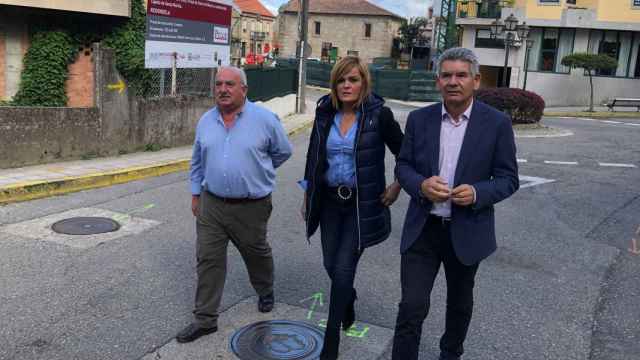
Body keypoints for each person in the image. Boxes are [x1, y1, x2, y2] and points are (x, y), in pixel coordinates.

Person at [392, 47, 519, 360]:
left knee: (459, 303)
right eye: (446, 75)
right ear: (438, 82)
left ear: (476, 81)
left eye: (461, 75)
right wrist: (421, 185)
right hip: (423, 228)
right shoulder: (420, 119)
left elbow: (508, 178)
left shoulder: (497, 124)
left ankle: (450, 354)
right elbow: (403, 166)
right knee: (412, 305)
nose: (453, 81)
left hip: (467, 229)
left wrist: (477, 193)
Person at [178, 66, 293, 343]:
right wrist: (196, 193)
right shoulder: (206, 120)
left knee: (256, 253)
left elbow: (283, 151)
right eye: (218, 84)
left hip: (251, 206)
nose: (222, 89)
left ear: (244, 89)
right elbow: (197, 161)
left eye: (230, 84)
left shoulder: (265, 119)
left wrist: (258, 170)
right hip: (212, 204)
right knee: (208, 259)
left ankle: (265, 290)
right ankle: (205, 319)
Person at [301, 56, 404, 360]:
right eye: (341, 80)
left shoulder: (378, 116)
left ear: (364, 83)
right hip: (330, 202)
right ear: (334, 84)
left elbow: (407, 152)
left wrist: (397, 186)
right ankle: (349, 299)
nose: (346, 85)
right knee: (331, 266)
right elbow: (312, 156)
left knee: (343, 270)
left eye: (353, 79)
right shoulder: (324, 114)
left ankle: (329, 347)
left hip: (361, 205)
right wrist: (307, 194)